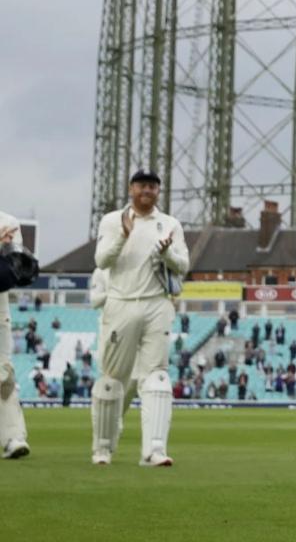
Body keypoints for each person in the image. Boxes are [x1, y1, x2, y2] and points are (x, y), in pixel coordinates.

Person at [90, 170, 188, 466]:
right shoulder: (112, 220)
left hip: (157, 303)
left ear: (159, 191)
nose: (148, 190)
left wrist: (168, 253)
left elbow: (183, 265)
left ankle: (154, 451)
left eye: (153, 186)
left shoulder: (169, 224)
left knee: (157, 377)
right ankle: (103, 449)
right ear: (131, 188)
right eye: (142, 186)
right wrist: (124, 234)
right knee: (111, 381)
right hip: (121, 302)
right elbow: (101, 261)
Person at [0, 214, 32, 459]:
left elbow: (17, 274)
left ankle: (13, 438)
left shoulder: (8, 223)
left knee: (3, 372)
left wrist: (7, 249)